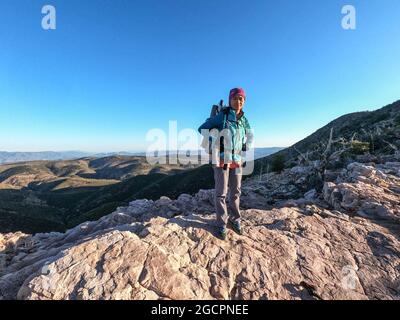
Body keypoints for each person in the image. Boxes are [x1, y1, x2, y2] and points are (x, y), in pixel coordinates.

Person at [198, 88, 253, 240]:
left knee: (236, 192)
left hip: (237, 160)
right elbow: (202, 129)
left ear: (244, 101)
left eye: (241, 99)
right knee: (221, 193)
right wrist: (215, 141)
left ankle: (235, 220)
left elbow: (250, 135)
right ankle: (221, 223)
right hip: (222, 160)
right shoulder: (222, 116)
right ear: (230, 100)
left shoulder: (244, 119)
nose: (238, 101)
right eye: (235, 98)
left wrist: (246, 146)